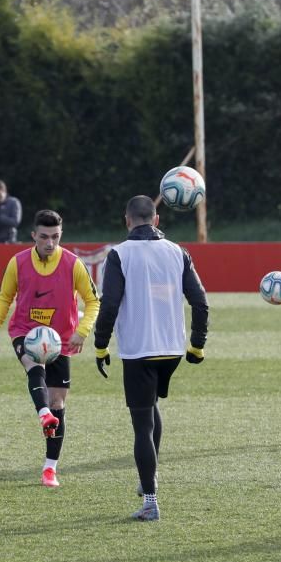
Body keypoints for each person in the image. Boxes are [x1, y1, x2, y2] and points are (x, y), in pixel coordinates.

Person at [93, 195, 208, 521]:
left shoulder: (118, 255)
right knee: (152, 408)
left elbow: (110, 305)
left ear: (127, 220)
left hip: (138, 351)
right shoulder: (178, 251)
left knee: (141, 424)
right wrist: (197, 345)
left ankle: (150, 501)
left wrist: (100, 347)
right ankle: (148, 480)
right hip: (171, 350)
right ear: (156, 220)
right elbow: (200, 303)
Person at [0, 210, 101, 487]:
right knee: (33, 362)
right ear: (34, 235)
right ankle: (42, 413)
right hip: (25, 331)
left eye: (56, 237)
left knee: (58, 402)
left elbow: (93, 301)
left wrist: (82, 332)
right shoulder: (18, 262)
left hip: (61, 338)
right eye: (45, 237)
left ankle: (50, 468)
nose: (50, 243)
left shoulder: (73, 264)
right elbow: (3, 299)